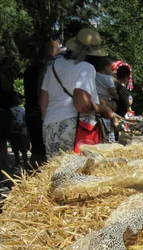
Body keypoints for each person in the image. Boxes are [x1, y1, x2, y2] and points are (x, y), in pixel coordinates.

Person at [39, 28, 114, 156]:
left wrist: (52, 121)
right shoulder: (86, 68)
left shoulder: (53, 65)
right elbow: (81, 104)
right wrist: (103, 109)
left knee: (56, 172)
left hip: (50, 126)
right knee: (79, 172)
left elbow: (43, 102)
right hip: (76, 128)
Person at [23, 39, 60, 167]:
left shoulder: (29, 70)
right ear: (51, 53)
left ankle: (31, 179)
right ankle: (39, 181)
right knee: (44, 153)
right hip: (42, 113)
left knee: (36, 151)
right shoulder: (47, 70)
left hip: (31, 112)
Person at [10, 92, 28, 168]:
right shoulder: (10, 110)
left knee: (24, 148)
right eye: (19, 98)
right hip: (14, 132)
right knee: (15, 148)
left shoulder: (22, 110)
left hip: (22, 132)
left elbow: (25, 119)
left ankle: (26, 162)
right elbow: (10, 120)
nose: (20, 100)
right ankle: (17, 162)